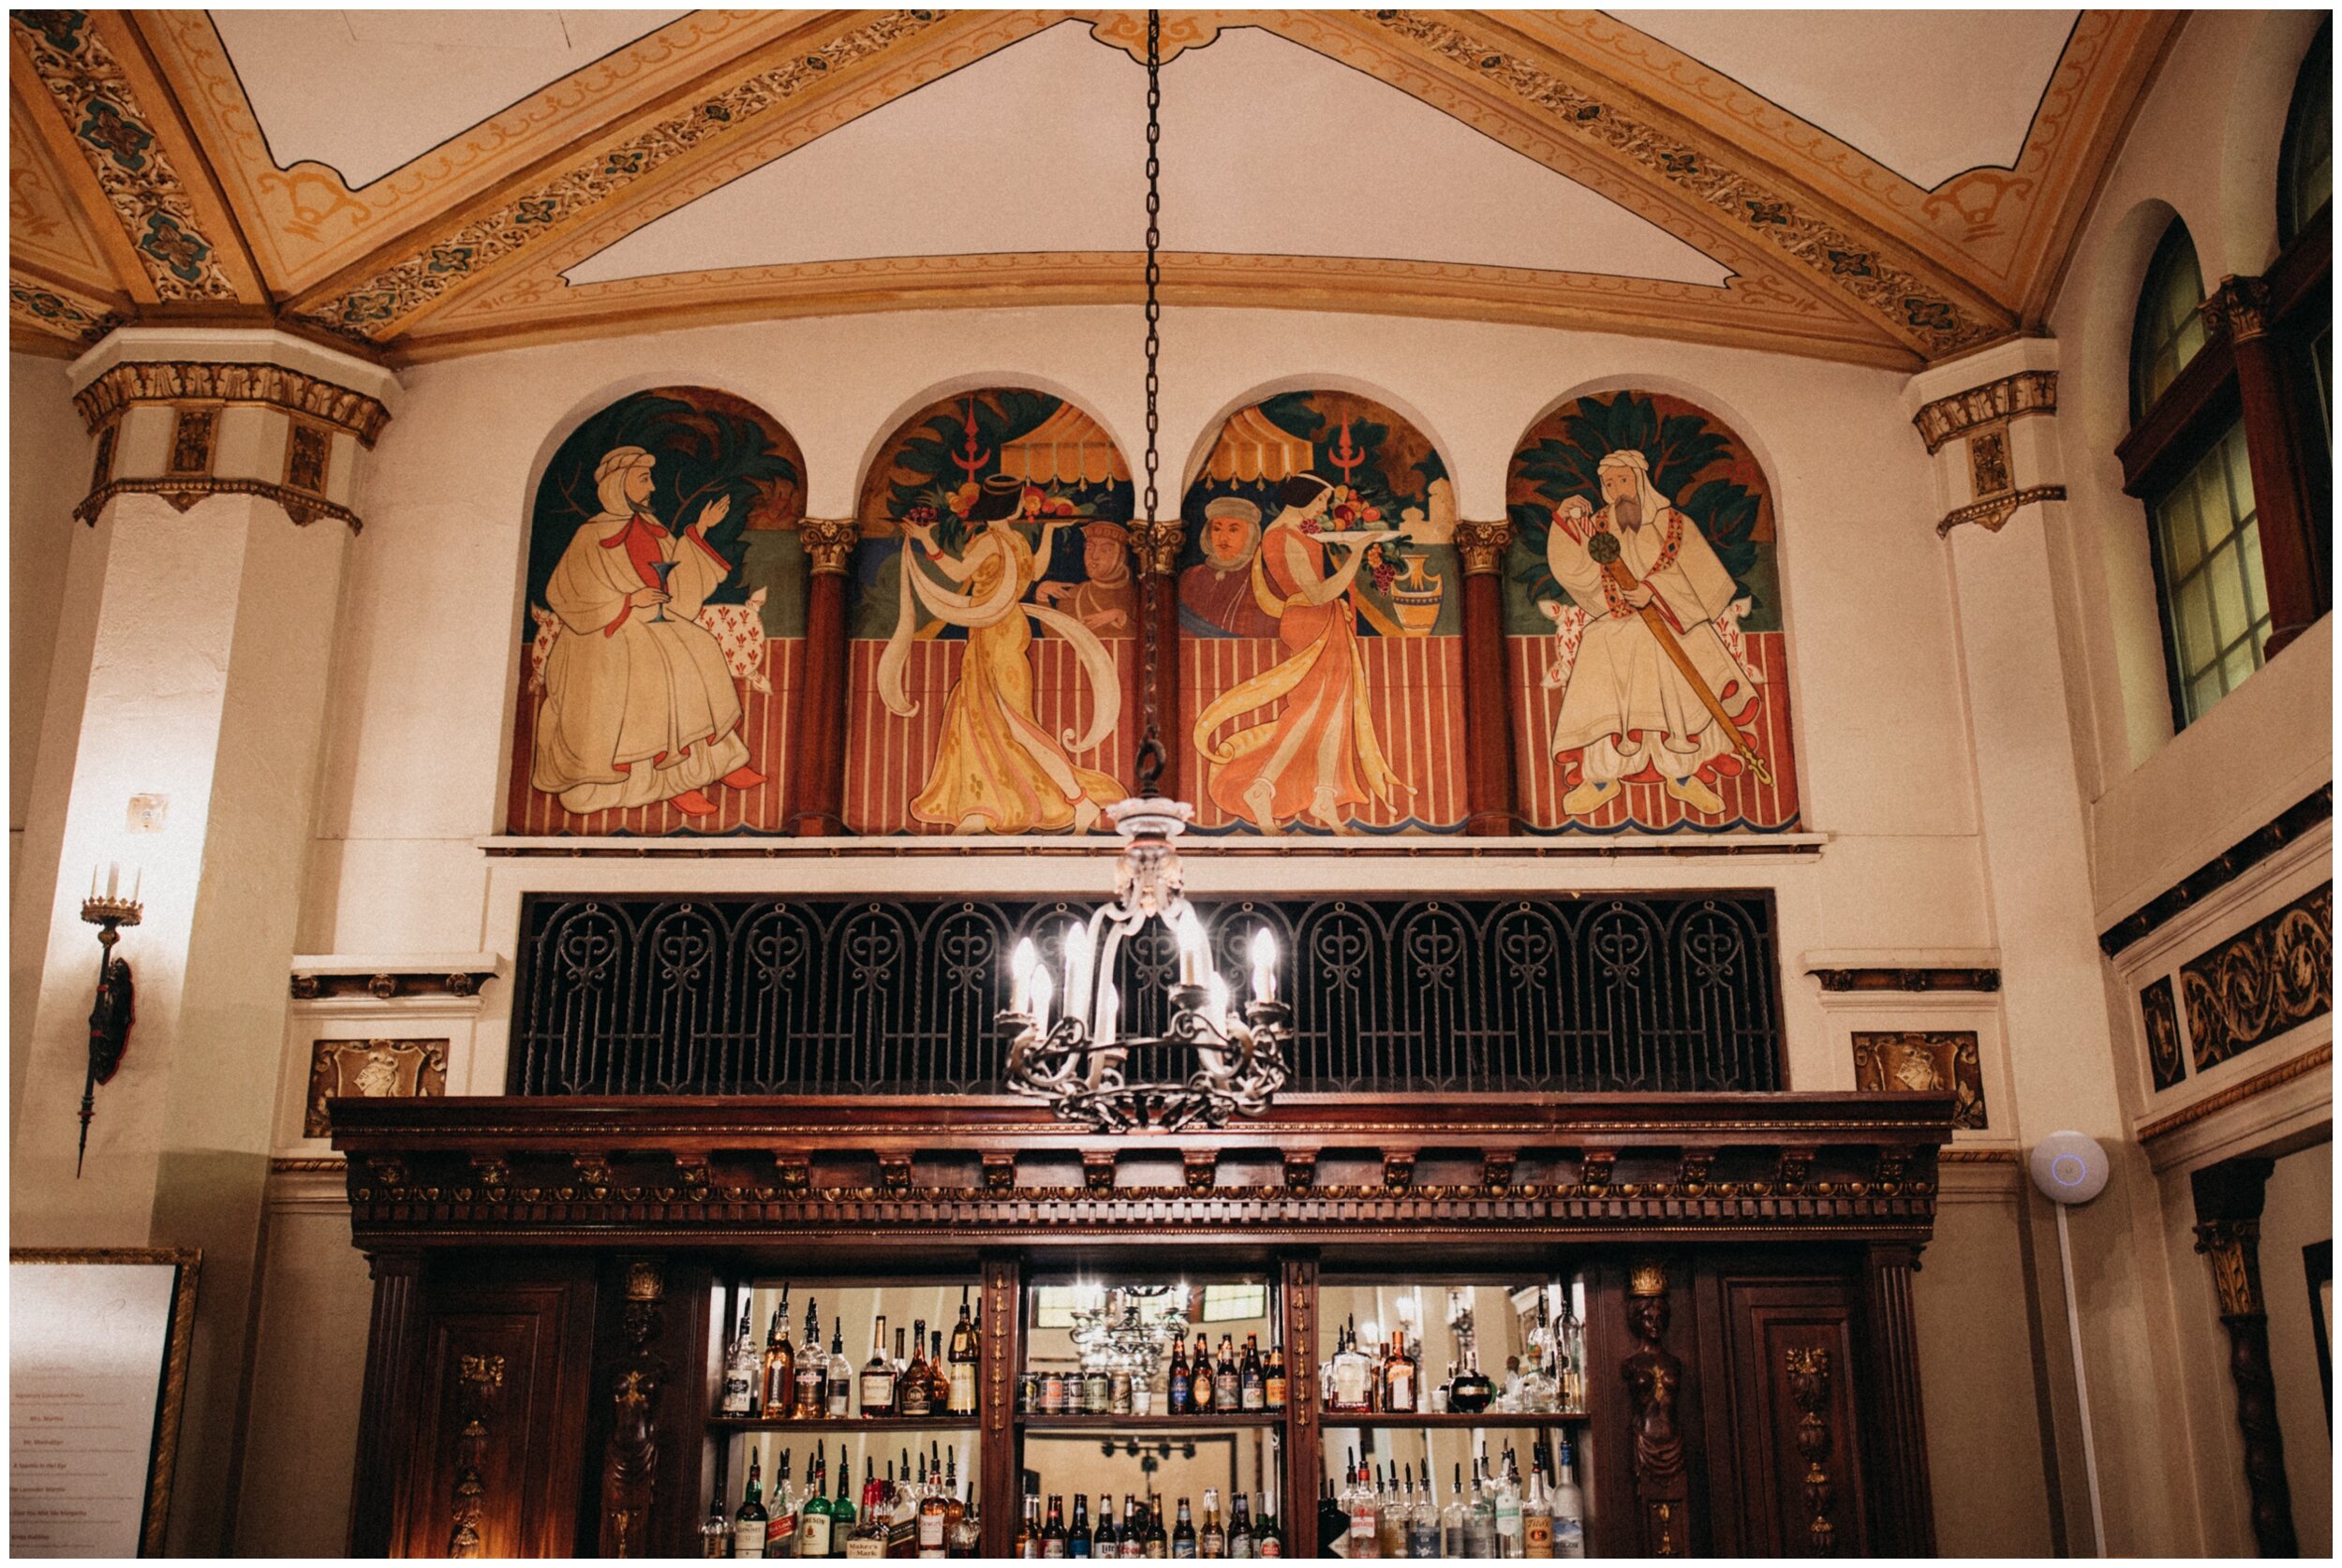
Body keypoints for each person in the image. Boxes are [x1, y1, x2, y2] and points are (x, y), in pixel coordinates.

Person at [530, 445, 765, 817]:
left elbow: (678, 580)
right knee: (653, 669)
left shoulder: (652, 529)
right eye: (644, 479)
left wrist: (700, 529)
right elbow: (564, 594)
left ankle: (714, 764)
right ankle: (665, 782)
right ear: (619, 484)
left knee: (701, 646)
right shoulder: (591, 536)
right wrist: (627, 601)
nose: (651, 486)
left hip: (651, 621)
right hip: (601, 631)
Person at [880, 477, 1122, 833]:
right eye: (1021, 501)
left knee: (1016, 724)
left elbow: (961, 572)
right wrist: (1051, 534)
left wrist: (927, 541)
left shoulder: (995, 541)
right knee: (976, 717)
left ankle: (1079, 800)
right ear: (1013, 507)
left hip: (999, 633)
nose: (1026, 506)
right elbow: (1034, 571)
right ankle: (981, 807)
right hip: (992, 631)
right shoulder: (1011, 540)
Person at [1541, 448, 1760, 818]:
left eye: (1623, 480)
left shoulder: (1675, 524)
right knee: (1596, 642)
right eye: (1609, 484)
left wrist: (1655, 592)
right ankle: (1601, 777)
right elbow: (1577, 569)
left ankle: (1685, 776)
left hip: (1675, 619)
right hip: (1620, 620)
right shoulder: (1598, 527)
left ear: (1640, 480)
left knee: (1674, 655)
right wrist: (1564, 521)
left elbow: (1708, 582)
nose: (1617, 490)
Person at [1193, 474, 1407, 832]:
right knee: (1308, 712)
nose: (1324, 507)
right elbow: (1318, 593)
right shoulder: (1281, 536)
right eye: (1321, 500)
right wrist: (1355, 557)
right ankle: (1262, 787)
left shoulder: (1301, 532)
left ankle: (1324, 795)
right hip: (1309, 621)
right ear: (1304, 497)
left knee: (1334, 713)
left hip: (1324, 621)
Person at [1178, 497, 1280, 638]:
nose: (1223, 538)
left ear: (1251, 535)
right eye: (1217, 529)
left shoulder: (1267, 582)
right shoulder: (1191, 577)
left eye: (1233, 530)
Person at [1036, 519, 1134, 634]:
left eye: (1104, 550)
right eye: (1089, 548)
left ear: (1121, 556)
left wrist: (1120, 617)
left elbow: (1152, 636)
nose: (1094, 556)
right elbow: (1056, 639)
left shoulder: (1134, 591)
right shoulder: (1077, 593)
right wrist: (1042, 597)